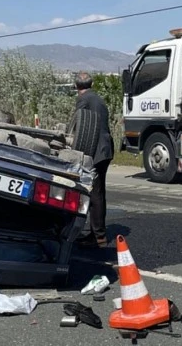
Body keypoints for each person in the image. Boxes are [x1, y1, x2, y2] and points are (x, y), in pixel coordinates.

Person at [72, 72, 114, 249]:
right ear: (92, 83)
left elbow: (77, 125)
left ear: (76, 86)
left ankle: (98, 237)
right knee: (99, 192)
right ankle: (97, 233)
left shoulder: (84, 100)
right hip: (105, 149)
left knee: (94, 193)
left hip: (95, 151)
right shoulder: (98, 99)